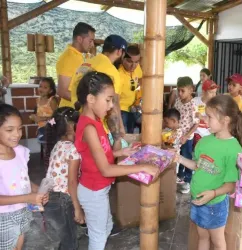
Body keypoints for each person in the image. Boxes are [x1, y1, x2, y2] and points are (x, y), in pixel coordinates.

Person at [75, 71, 160, 250]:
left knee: (104, 229)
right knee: (98, 238)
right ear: (91, 99)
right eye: (108, 100)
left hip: (99, 189)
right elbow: (105, 169)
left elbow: (98, 154)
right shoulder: (89, 127)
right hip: (93, 191)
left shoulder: (96, 122)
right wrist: (141, 167)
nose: (111, 105)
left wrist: (121, 151)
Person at [175, 95, 242, 250]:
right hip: (197, 199)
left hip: (215, 204)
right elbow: (197, 166)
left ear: (225, 120)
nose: (204, 120)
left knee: (218, 241)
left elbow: (231, 186)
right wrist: (179, 158)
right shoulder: (204, 141)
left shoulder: (234, 150)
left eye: (209, 117)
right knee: (202, 237)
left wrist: (213, 193)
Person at [0, 103, 49, 250]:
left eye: (20, 128)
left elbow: (23, 179)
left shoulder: (20, 152)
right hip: (4, 217)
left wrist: (37, 190)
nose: (17, 134)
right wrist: (27, 197)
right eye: (10, 130)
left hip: (23, 210)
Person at [69, 35, 128, 148]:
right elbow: (113, 106)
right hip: (97, 128)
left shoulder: (85, 64)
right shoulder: (111, 71)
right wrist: (118, 134)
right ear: (120, 51)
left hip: (79, 123)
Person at [44, 107, 81, 249]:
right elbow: (72, 182)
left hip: (51, 197)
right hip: (63, 200)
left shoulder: (57, 145)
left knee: (64, 238)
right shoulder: (72, 150)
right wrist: (77, 208)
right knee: (70, 241)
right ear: (72, 127)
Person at [56, 22, 96, 108]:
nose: (92, 45)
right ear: (79, 39)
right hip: (71, 110)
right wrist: (85, 101)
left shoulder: (78, 55)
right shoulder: (70, 57)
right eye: (90, 41)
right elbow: (62, 91)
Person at [174, 77, 199, 193]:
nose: (180, 93)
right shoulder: (178, 101)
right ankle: (180, 176)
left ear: (191, 90)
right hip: (177, 135)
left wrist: (186, 136)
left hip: (187, 138)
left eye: (182, 91)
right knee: (177, 156)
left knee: (187, 156)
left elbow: (196, 124)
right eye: (178, 90)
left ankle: (188, 180)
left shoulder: (193, 105)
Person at [29, 78, 58, 170]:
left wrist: (42, 118)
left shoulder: (52, 100)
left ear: (51, 90)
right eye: (40, 86)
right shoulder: (38, 100)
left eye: (45, 87)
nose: (41, 89)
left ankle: (51, 166)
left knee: (48, 146)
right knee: (45, 146)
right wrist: (33, 117)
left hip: (51, 127)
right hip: (42, 128)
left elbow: (56, 117)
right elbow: (37, 115)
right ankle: (48, 165)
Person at [118, 45, 143, 133]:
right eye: (129, 61)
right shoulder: (118, 75)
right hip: (121, 110)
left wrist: (138, 93)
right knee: (123, 136)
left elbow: (140, 78)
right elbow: (115, 100)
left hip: (133, 108)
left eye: (136, 62)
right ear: (122, 57)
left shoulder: (137, 68)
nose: (133, 65)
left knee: (131, 134)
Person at [193, 79, 219, 147]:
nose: (214, 95)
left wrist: (202, 117)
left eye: (215, 92)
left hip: (209, 132)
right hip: (196, 131)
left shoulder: (216, 105)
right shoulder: (195, 101)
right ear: (203, 92)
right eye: (211, 92)